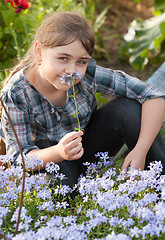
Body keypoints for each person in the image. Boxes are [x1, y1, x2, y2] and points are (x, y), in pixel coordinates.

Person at [0, 11, 165, 186]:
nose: (72, 70)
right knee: (58, 184)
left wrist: (141, 149)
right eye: (63, 58)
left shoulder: (88, 74)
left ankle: (160, 186)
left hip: (87, 148)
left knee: (128, 109)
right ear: (39, 52)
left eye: (81, 61)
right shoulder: (17, 93)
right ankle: (79, 200)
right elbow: (20, 158)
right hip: (49, 161)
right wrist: (59, 152)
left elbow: (152, 95)